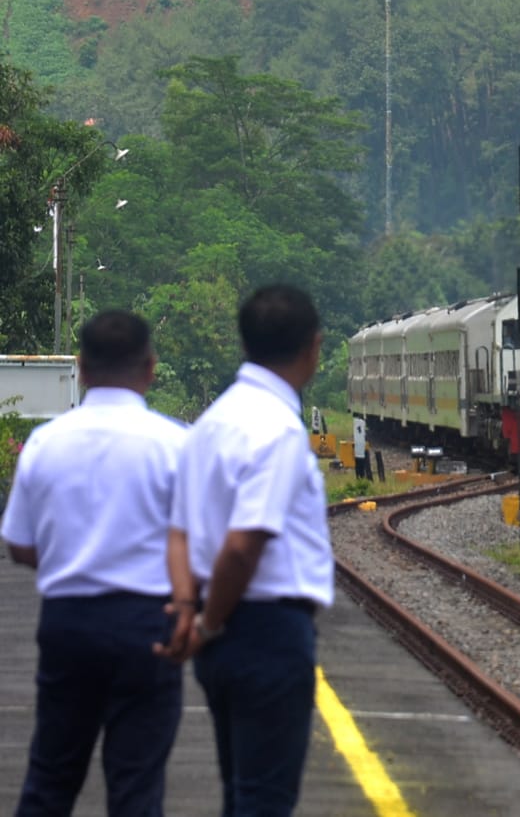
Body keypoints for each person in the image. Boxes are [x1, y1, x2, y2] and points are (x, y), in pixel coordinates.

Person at [1, 311, 188, 816]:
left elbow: (18, 544)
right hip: (149, 625)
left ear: (81, 368)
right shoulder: (176, 445)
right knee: (136, 785)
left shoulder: (45, 443)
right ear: (150, 367)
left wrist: (68, 557)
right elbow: (199, 546)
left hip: (69, 624)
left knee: (51, 777)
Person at [166, 284, 334, 816]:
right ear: (314, 347)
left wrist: (191, 611)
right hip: (264, 631)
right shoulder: (278, 429)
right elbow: (244, 546)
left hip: (222, 638)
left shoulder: (210, 423)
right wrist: (210, 622)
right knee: (263, 800)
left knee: (240, 791)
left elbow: (180, 532)